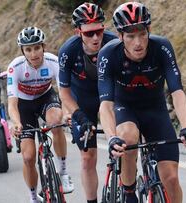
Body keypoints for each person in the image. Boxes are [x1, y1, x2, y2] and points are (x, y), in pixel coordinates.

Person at [98, 2, 186, 203]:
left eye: (142, 34)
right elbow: (106, 105)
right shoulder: (109, 55)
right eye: (130, 36)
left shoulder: (161, 47)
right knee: (128, 136)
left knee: (170, 178)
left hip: (155, 109)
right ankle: (128, 192)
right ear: (120, 36)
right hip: (125, 107)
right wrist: (111, 138)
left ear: (149, 30)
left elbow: (177, 92)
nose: (138, 42)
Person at [58, 2, 117, 203]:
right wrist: (79, 116)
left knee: (126, 144)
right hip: (83, 102)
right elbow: (64, 92)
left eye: (99, 31)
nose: (95, 37)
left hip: (111, 97)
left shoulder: (114, 43)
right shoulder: (68, 51)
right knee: (88, 157)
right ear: (78, 32)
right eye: (89, 33)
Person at [7, 26, 74, 203]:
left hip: (46, 97)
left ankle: (63, 171)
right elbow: (12, 103)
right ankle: (33, 196)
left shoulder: (53, 61)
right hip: (24, 105)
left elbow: (64, 93)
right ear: (23, 51)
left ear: (43, 46)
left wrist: (67, 113)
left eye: (37, 47)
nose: (33, 53)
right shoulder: (16, 67)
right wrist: (15, 122)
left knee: (56, 121)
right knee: (28, 156)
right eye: (28, 49)